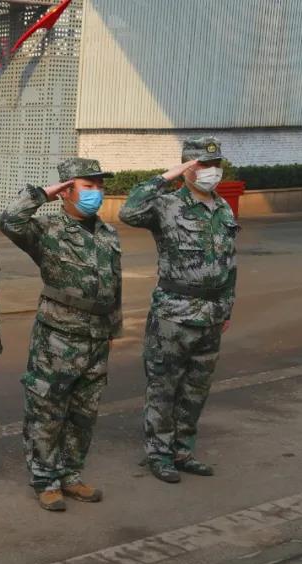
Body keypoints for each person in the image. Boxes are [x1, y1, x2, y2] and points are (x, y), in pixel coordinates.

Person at [0, 158, 122, 511]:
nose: (96, 193)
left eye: (99, 187)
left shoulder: (107, 233)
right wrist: (44, 194)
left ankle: (71, 474)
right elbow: (9, 220)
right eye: (88, 186)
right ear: (67, 191)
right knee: (47, 410)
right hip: (58, 337)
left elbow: (115, 285)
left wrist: (113, 328)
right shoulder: (47, 229)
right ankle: (45, 479)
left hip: (97, 335)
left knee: (84, 412)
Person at [119, 137, 237, 483]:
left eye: (215, 165)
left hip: (212, 313)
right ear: (187, 168)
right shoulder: (166, 204)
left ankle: (183, 451)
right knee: (164, 387)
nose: (211, 171)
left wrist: (227, 307)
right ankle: (159, 454)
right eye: (202, 165)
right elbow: (129, 211)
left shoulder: (223, 208)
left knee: (196, 389)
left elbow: (229, 263)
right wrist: (165, 177)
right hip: (174, 313)